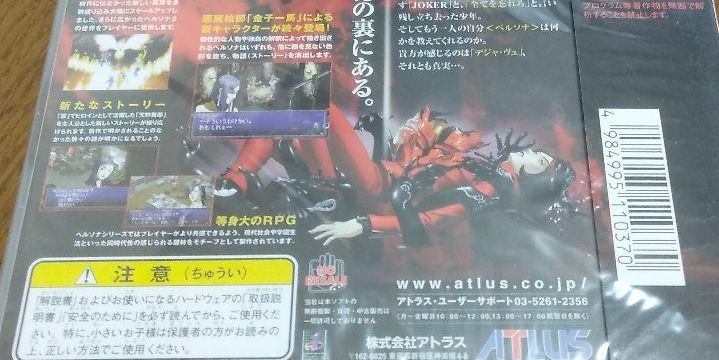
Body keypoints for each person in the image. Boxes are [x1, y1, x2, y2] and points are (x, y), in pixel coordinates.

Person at [216, 106, 574, 247]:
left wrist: (361, 225)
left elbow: (428, 222)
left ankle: (307, 184)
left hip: (379, 189)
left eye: (542, 160)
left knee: (320, 110)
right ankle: (235, 182)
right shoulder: (486, 167)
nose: (535, 153)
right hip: (374, 180)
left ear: (537, 178)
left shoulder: (490, 190)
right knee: (290, 120)